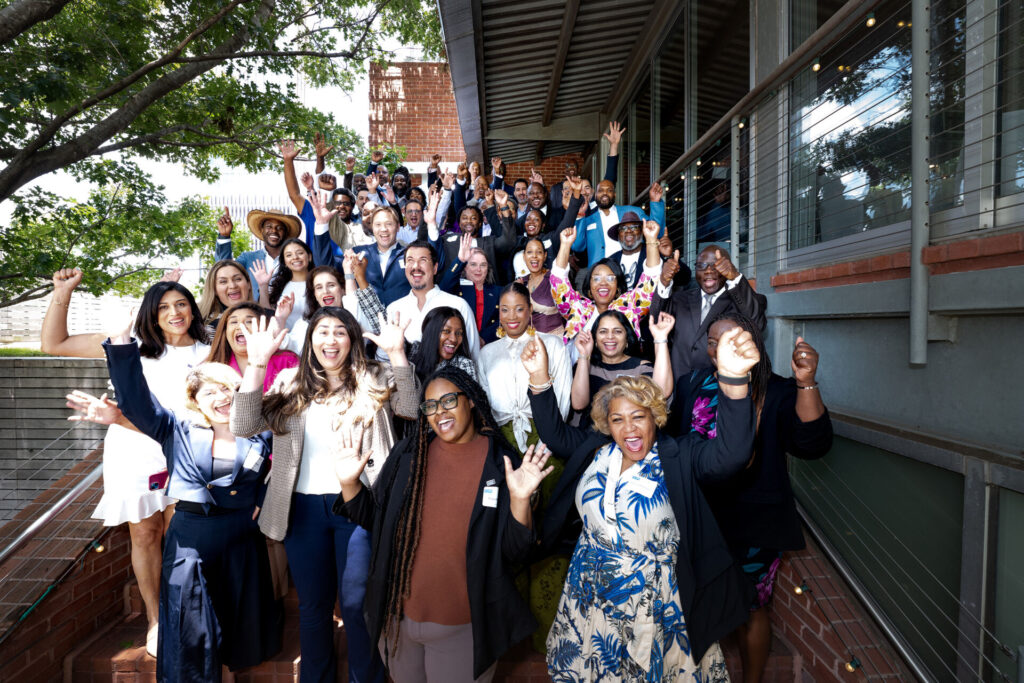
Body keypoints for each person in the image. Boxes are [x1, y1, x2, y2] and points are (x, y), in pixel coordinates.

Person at [520, 329, 761, 681]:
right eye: (618, 419)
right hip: (591, 597)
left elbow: (732, 455)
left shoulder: (680, 456)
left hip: (657, 607)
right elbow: (555, 435)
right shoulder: (596, 451)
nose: (629, 429)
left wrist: (735, 380)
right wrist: (539, 378)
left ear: (655, 418)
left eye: (639, 416)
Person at [68, 318, 282, 681]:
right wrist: (122, 343)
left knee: (235, 636)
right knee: (193, 636)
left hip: (242, 545)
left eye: (226, 389)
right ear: (195, 402)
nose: (220, 398)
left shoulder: (257, 432)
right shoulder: (177, 431)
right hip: (191, 545)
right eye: (209, 393)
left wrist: (264, 495)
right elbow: (137, 401)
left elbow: (282, 466)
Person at [230, 308, 419, 683]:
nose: (330, 340)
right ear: (310, 340)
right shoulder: (288, 382)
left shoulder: (374, 377)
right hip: (302, 509)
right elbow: (244, 424)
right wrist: (256, 363)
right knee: (314, 608)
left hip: (358, 507)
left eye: (339, 332)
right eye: (322, 332)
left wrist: (398, 354)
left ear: (352, 340)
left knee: (356, 605)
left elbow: (411, 408)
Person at [333, 366, 554, 681]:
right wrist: (349, 484)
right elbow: (375, 521)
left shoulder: (501, 465)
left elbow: (515, 552)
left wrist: (519, 500)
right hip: (399, 625)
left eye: (449, 400)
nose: (440, 412)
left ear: (472, 401)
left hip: (462, 627)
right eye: (431, 406)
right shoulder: (409, 455)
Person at [41, 270, 211, 657]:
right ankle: (155, 619)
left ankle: (186, 612)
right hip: (134, 451)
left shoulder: (210, 345)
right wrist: (63, 292)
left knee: (182, 535)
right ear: (150, 314)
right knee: (145, 534)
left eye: (181, 303)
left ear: (193, 307)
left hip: (185, 451)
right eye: (164, 306)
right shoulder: (129, 346)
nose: (174, 312)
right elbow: (55, 343)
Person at [684, 315, 832, 683]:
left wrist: (806, 383)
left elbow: (811, 445)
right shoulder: (695, 384)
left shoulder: (778, 389)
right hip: (701, 515)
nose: (721, 348)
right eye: (714, 341)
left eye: (732, 339)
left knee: (751, 607)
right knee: (697, 600)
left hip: (755, 523)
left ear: (754, 344)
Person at [478, 282, 571, 454]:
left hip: (546, 438)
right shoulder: (486, 353)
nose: (511, 316)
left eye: (519, 309)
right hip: (501, 442)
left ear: (530, 309)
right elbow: (484, 407)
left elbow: (563, 397)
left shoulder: (552, 345)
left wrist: (547, 444)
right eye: (505, 310)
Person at [650, 244, 767, 380]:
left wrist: (734, 276)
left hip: (718, 388)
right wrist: (664, 281)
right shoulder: (680, 299)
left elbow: (757, 324)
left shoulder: (743, 301)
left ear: (727, 266)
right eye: (701, 265)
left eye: (715, 265)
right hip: (678, 385)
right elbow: (655, 323)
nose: (708, 271)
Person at [550, 221, 665, 346]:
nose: (603, 283)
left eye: (610, 279)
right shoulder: (578, 307)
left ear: (618, 288)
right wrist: (565, 245)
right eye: (597, 278)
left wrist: (651, 239)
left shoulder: (629, 307)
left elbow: (651, 278)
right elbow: (558, 281)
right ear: (589, 287)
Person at [381, 240, 481, 360]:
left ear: (435, 268)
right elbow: (384, 358)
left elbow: (473, 357)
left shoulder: (458, 306)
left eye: (423, 260)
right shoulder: (394, 309)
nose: (415, 266)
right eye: (410, 261)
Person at [570, 309, 675, 411]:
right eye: (603, 331)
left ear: (627, 338)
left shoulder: (642, 369)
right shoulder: (584, 366)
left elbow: (662, 393)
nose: (610, 336)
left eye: (617, 331)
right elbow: (579, 405)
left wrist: (660, 338)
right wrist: (584, 355)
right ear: (595, 339)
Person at [571, 179, 666, 266]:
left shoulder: (633, 212)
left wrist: (655, 202)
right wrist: (580, 215)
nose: (605, 193)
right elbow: (578, 247)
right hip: (600, 274)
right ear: (595, 195)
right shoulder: (587, 220)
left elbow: (656, 233)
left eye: (609, 190)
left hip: (633, 269)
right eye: (600, 191)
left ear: (615, 194)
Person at [207, 302, 299, 389]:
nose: (241, 326)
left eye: (249, 321)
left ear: (263, 327)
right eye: (234, 322)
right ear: (225, 332)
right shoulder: (213, 368)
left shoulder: (287, 360)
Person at [215, 206, 302, 294]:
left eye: (279, 228)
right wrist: (224, 236)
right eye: (269, 226)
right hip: (255, 307)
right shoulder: (248, 258)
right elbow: (224, 270)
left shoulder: (294, 260)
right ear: (262, 230)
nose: (274, 231)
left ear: (285, 233)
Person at [409, 307, 478, 383]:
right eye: (446, 331)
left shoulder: (463, 365)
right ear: (430, 332)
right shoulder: (411, 353)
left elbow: (472, 394)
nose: (454, 339)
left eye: (458, 333)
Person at [450, 247, 501, 344]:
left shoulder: (498, 291)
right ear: (465, 267)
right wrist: (460, 260)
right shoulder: (455, 288)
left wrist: (483, 339)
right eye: (473, 264)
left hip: (489, 345)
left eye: (483, 265)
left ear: (487, 268)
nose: (478, 269)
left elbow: (503, 319)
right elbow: (443, 287)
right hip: (460, 344)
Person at [516, 238, 564, 336]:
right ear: (524, 256)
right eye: (529, 252)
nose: (534, 256)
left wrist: (565, 244)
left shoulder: (553, 279)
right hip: (529, 344)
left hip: (554, 341)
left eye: (539, 252)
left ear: (545, 255)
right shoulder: (521, 282)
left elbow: (562, 267)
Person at [265, 238, 313, 329]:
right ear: (285, 262)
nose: (295, 257)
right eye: (289, 255)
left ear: (309, 257)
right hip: (285, 340)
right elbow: (268, 313)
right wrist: (263, 285)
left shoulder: (319, 284)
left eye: (300, 253)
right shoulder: (279, 286)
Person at [197, 259, 254, 328]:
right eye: (223, 281)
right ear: (214, 290)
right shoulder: (201, 323)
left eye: (238, 279)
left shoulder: (262, 318)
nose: (232, 286)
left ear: (248, 284)